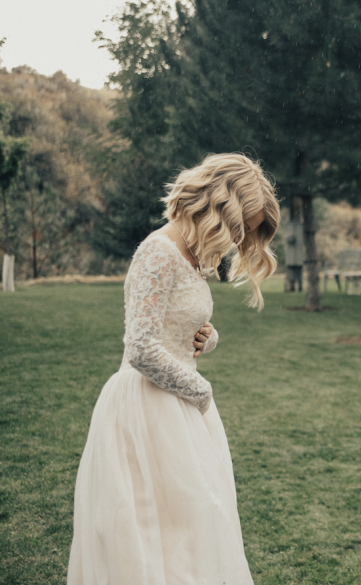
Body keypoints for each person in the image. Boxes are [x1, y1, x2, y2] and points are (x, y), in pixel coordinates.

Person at [67, 153, 280, 585]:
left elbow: (176, 325)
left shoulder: (194, 256)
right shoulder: (159, 252)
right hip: (146, 410)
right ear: (219, 207)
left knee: (194, 529)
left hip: (179, 406)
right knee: (150, 532)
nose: (239, 240)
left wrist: (205, 337)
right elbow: (141, 348)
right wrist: (200, 391)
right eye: (242, 225)